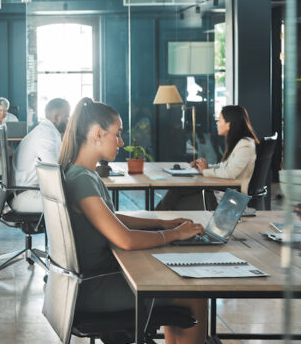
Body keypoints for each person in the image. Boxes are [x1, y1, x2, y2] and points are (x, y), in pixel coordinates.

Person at [59, 98, 207, 344]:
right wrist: (175, 235)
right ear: (97, 134)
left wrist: (161, 225)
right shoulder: (81, 179)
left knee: (176, 277)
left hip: (93, 280)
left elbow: (110, 217)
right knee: (193, 290)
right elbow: (125, 240)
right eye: (117, 135)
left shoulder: (82, 173)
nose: (121, 142)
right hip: (95, 288)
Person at [156, 105, 259, 210]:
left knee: (175, 196)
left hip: (228, 198)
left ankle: (154, 220)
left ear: (229, 124)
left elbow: (230, 173)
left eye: (220, 120)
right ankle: (155, 220)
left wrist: (205, 171)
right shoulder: (240, 143)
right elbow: (224, 167)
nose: (217, 123)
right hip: (220, 191)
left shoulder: (245, 146)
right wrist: (204, 167)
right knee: (176, 190)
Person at [10, 98, 70, 213]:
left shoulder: (49, 131)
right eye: (67, 117)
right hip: (26, 196)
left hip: (31, 191)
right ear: (56, 118)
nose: (69, 121)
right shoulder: (46, 135)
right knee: (77, 202)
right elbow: (55, 173)